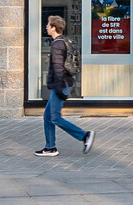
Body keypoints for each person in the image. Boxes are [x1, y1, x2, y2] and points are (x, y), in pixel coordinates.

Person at [33, 15, 91, 157]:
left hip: (61, 84)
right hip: (63, 84)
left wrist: (58, 89)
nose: (46, 27)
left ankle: (84, 136)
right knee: (47, 116)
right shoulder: (63, 41)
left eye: (48, 25)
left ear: (53, 28)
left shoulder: (57, 44)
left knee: (55, 117)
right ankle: (50, 147)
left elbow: (58, 69)